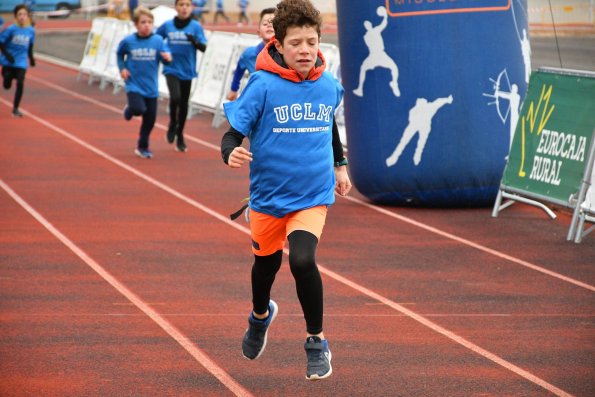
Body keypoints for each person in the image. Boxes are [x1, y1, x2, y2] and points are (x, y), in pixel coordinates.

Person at [220, 0, 351, 381]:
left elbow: (329, 126)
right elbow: (232, 132)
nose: (305, 50)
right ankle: (260, 317)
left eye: (311, 41)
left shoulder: (328, 85)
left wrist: (340, 166)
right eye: (296, 43)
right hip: (268, 198)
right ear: (278, 43)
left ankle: (316, 341)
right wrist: (230, 152)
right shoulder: (262, 85)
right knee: (265, 268)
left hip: (312, 196)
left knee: (303, 261)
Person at [117, 7, 172, 159]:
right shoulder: (128, 41)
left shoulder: (158, 41)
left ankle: (142, 147)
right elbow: (119, 54)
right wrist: (122, 68)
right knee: (137, 108)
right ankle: (130, 110)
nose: (147, 25)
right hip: (133, 84)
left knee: (150, 120)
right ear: (136, 24)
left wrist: (167, 59)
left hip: (151, 87)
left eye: (149, 22)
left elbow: (165, 58)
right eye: (143, 22)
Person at [157, 0, 207, 153]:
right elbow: (156, 40)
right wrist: (163, 52)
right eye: (181, 5)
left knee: (184, 103)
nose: (184, 8)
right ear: (176, 7)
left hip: (187, 69)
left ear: (191, 7)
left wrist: (195, 41)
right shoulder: (167, 25)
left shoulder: (196, 26)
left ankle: (180, 135)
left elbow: (204, 47)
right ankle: (172, 123)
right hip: (171, 68)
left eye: (187, 5)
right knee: (176, 97)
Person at [226, 7, 274, 101]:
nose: (269, 25)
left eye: (273, 23)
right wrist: (234, 89)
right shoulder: (249, 54)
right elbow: (239, 69)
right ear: (258, 32)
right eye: (265, 24)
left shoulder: (287, 54)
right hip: (258, 101)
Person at [0, 4, 35, 118]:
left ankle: (15, 108)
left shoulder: (31, 31)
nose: (22, 17)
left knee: (20, 82)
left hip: (21, 62)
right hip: (8, 62)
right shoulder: (11, 29)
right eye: (19, 14)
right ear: (15, 16)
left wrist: (31, 58)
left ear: (28, 16)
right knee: (7, 86)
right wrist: (7, 55)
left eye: (24, 14)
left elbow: (30, 45)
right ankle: (6, 79)